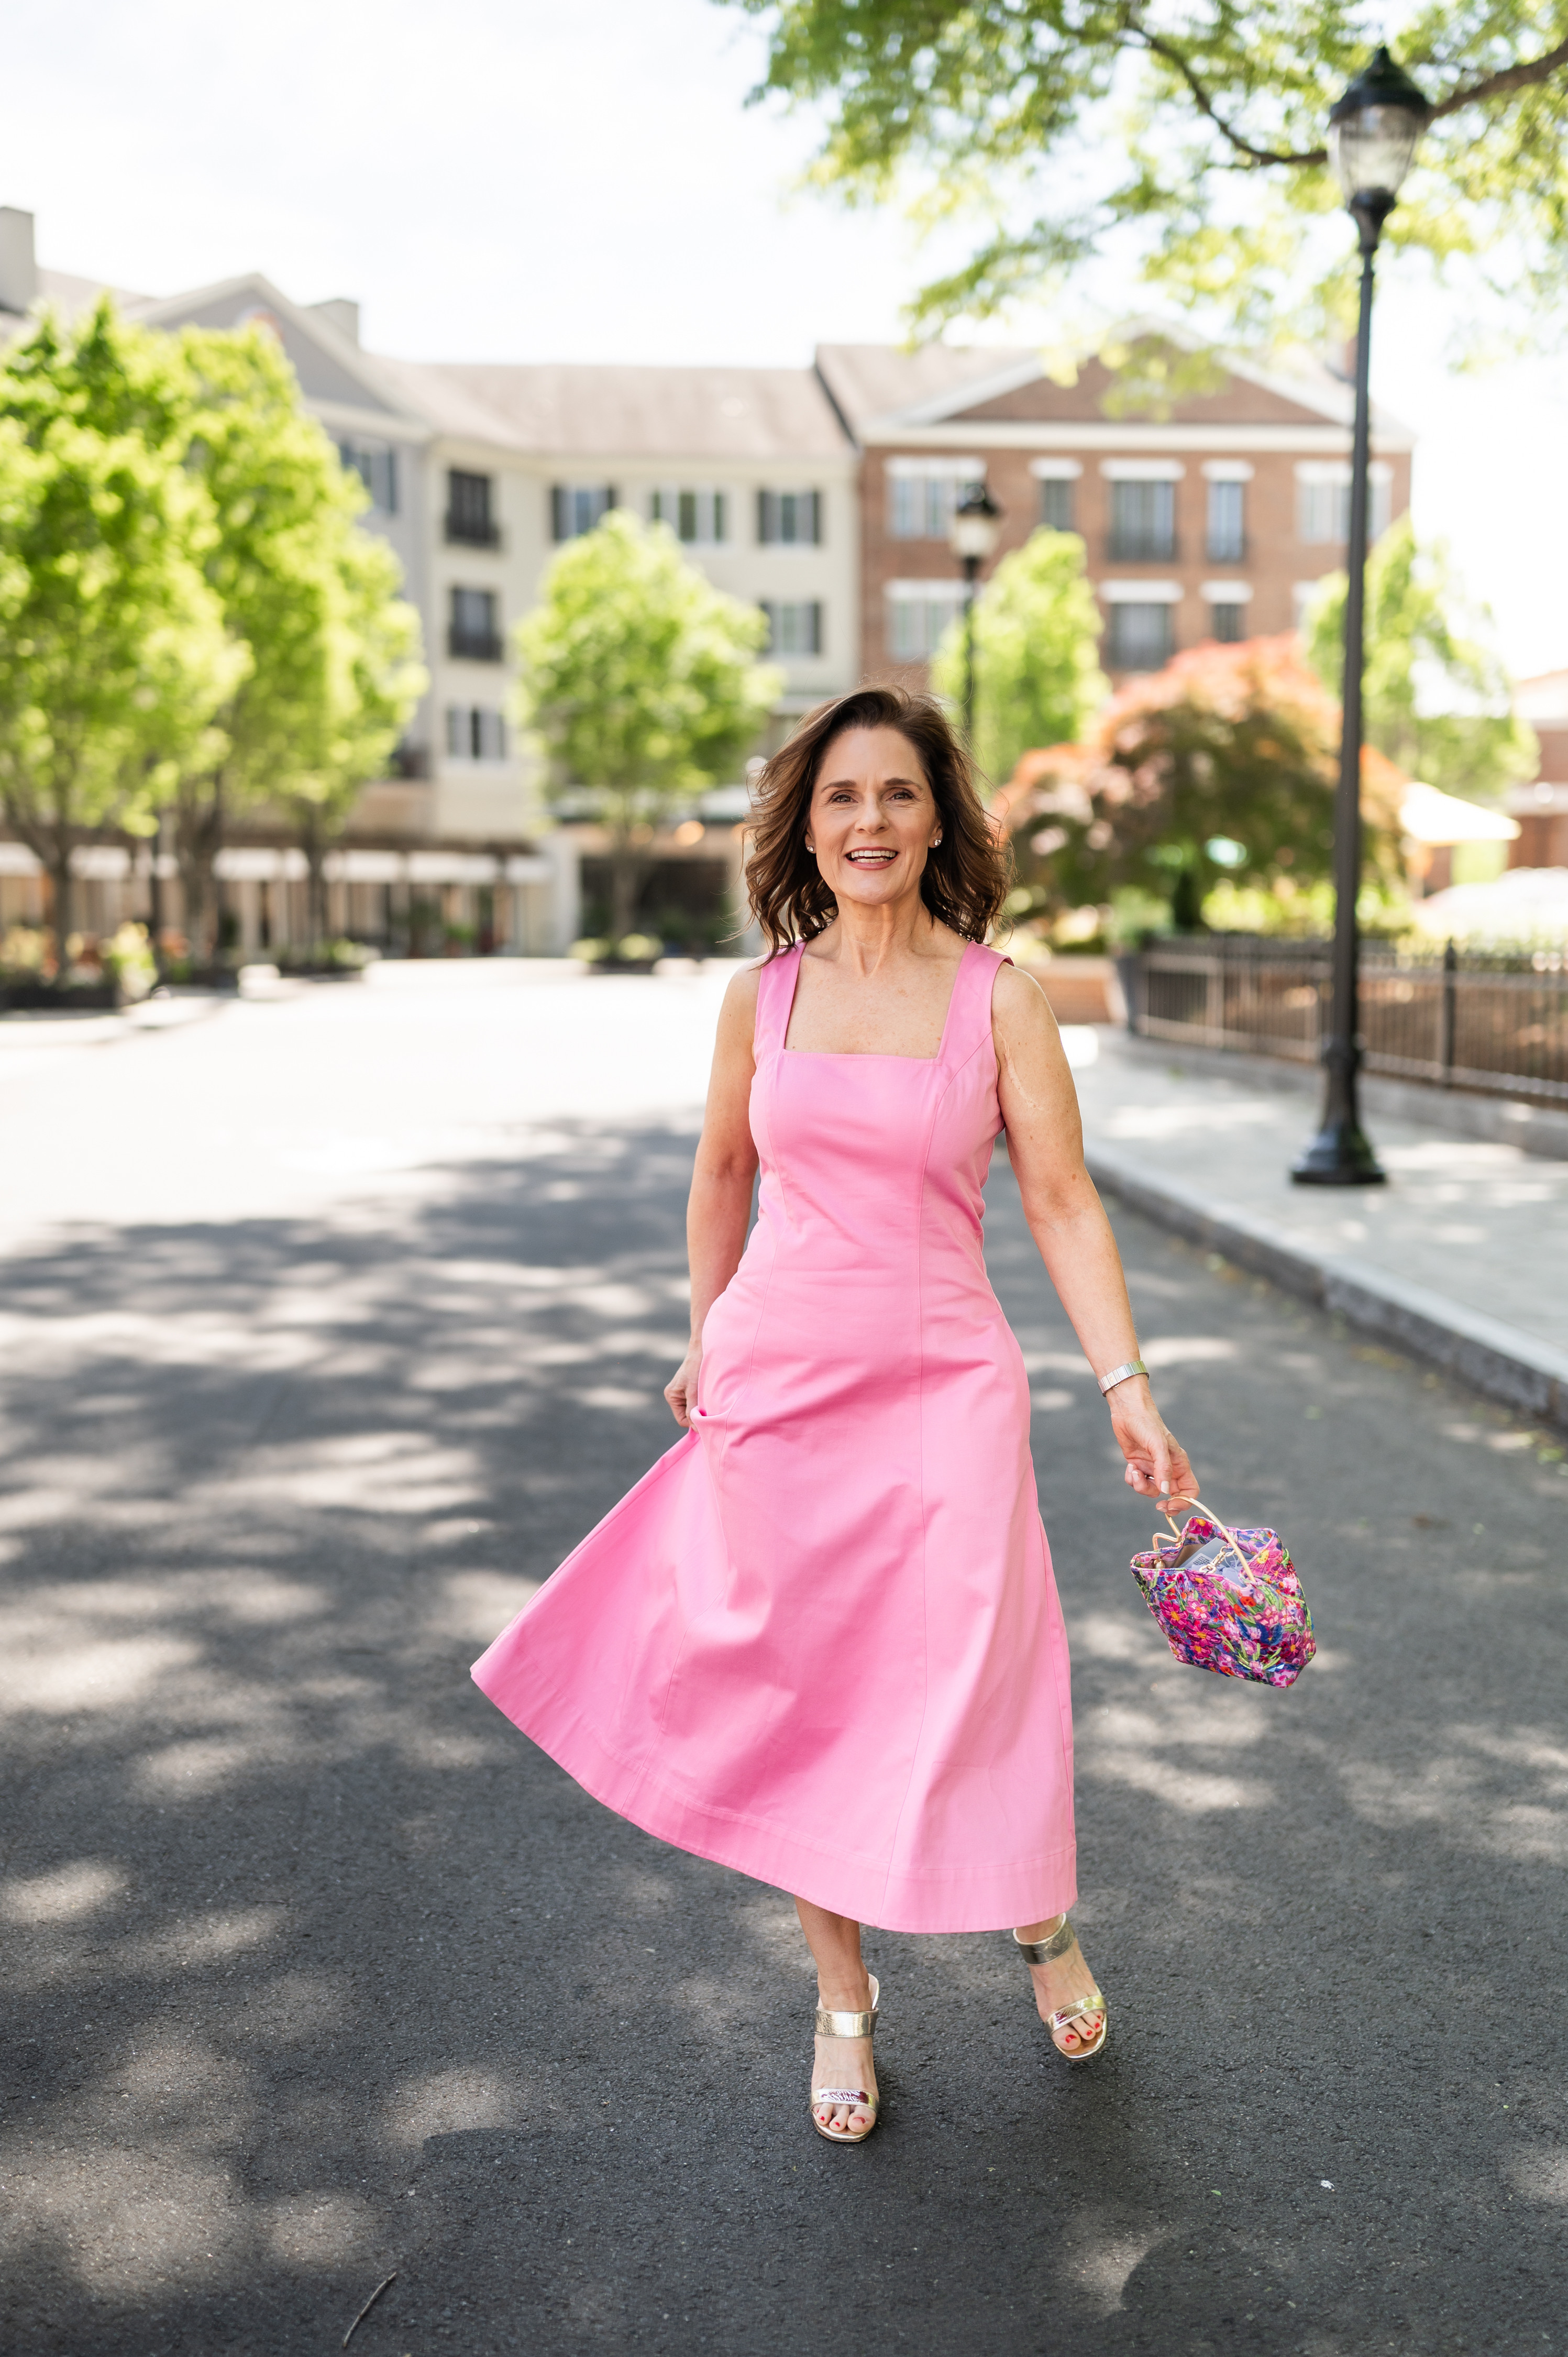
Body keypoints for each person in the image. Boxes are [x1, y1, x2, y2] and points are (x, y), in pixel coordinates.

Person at [473, 686, 1196, 2145]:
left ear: (939, 821)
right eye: (841, 798)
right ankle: (841, 1996)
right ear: (807, 823)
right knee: (808, 1693)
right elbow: (720, 1176)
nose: (868, 822)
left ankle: (1035, 1913)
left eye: (897, 795)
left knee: (976, 1676)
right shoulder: (765, 995)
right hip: (783, 1387)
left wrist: (1125, 1380)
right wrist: (705, 1335)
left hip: (946, 1395)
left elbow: (1057, 1198)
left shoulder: (1000, 996)